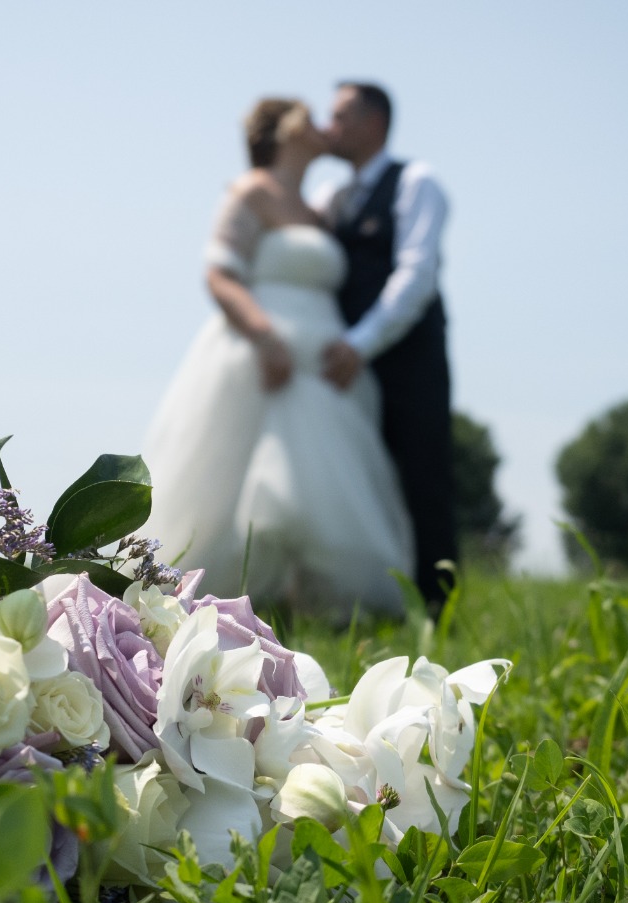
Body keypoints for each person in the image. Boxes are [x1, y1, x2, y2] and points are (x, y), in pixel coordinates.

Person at [142, 98, 412, 615]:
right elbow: (219, 272)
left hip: (322, 362)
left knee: (322, 480)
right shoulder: (252, 191)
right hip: (262, 353)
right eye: (313, 119)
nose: (325, 128)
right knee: (240, 480)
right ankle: (215, 601)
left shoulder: (317, 209)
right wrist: (265, 337)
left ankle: (314, 606)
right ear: (287, 131)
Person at [314, 82, 456, 606]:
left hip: (408, 358)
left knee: (422, 478)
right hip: (343, 366)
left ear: (374, 121)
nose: (330, 127)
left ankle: (439, 607)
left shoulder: (417, 182)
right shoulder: (330, 198)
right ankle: (375, 604)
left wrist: (361, 342)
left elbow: (416, 274)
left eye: (341, 116)